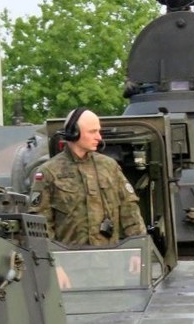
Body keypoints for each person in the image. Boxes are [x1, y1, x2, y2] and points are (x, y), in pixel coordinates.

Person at [29, 108, 146, 287]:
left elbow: (129, 208)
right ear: (74, 133)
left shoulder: (109, 167)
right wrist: (54, 266)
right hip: (70, 270)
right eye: (93, 131)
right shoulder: (49, 172)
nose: (99, 137)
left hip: (111, 266)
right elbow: (40, 223)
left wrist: (138, 250)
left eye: (98, 131)